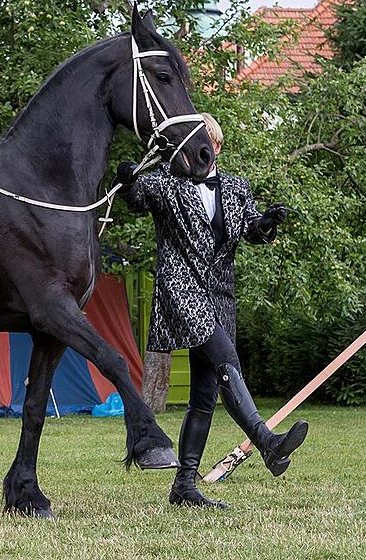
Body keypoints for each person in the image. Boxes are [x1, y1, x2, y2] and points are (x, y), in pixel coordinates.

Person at [115, 112, 307, 509]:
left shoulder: (236, 188)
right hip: (180, 288)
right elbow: (136, 198)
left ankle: (184, 486)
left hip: (220, 295)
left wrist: (267, 222)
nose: (198, 151)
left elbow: (251, 230)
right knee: (226, 359)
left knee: (205, 394)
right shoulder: (168, 184)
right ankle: (267, 441)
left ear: (215, 146)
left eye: (206, 143)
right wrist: (127, 178)